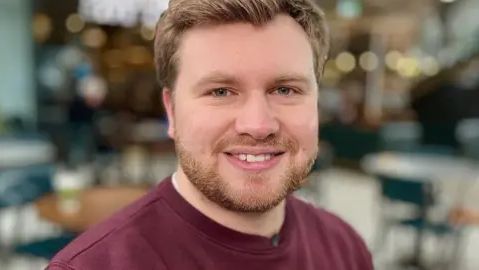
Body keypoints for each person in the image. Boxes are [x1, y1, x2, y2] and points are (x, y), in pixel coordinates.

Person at [47, 0, 374, 269]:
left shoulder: (345, 248)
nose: (258, 125)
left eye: (286, 89)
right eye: (220, 92)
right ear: (171, 111)